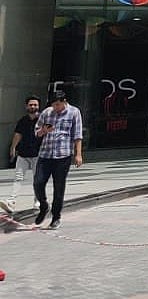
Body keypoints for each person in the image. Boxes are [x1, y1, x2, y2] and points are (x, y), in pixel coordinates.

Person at [32, 91, 84, 229]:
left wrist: (78, 154)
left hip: (63, 155)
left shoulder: (74, 112)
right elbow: (36, 131)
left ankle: (56, 216)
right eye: (53, 105)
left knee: (59, 187)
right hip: (45, 154)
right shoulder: (47, 112)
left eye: (57, 104)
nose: (55, 108)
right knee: (38, 182)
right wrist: (43, 131)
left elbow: (77, 135)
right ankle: (43, 206)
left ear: (64, 101)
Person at [2, 97, 43, 213]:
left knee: (38, 179)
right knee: (18, 178)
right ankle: (11, 201)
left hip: (38, 155)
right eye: (31, 105)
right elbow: (17, 134)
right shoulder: (23, 120)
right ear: (26, 106)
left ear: (38, 106)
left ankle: (38, 201)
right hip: (23, 154)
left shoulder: (43, 120)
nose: (33, 107)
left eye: (35, 105)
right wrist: (13, 147)